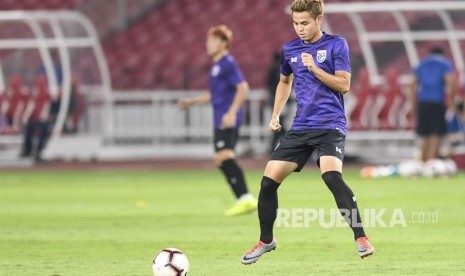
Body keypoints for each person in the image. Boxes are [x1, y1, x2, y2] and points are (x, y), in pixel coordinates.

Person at [241, 0, 374, 264]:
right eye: (295, 23)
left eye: (304, 23)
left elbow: (344, 84)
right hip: (301, 126)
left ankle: (360, 237)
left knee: (331, 176)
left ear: (318, 20)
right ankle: (266, 240)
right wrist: (276, 113)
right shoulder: (289, 49)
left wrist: (314, 67)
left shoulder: (337, 45)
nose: (299, 28)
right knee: (268, 182)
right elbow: (284, 81)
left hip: (330, 124)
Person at [178, 25, 257, 216]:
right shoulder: (217, 66)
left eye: (212, 41)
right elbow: (212, 94)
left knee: (224, 156)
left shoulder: (228, 63)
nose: (208, 44)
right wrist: (191, 102)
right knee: (220, 159)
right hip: (220, 117)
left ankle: (245, 198)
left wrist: (231, 112)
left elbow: (243, 88)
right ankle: (242, 199)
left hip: (226, 118)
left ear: (223, 43)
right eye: (208, 40)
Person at [409, 47, 454, 162]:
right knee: (436, 132)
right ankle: (432, 161)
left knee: (424, 133)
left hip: (423, 103)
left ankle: (421, 161)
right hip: (437, 102)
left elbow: (412, 85)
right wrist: (451, 101)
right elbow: (451, 83)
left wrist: (411, 105)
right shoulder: (444, 64)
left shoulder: (421, 64)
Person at [267, 52, 288, 154]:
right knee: (281, 127)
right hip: (280, 102)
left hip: (275, 102)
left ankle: (273, 149)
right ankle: (283, 146)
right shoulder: (278, 70)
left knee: (279, 127)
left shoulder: (272, 70)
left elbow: (269, 86)